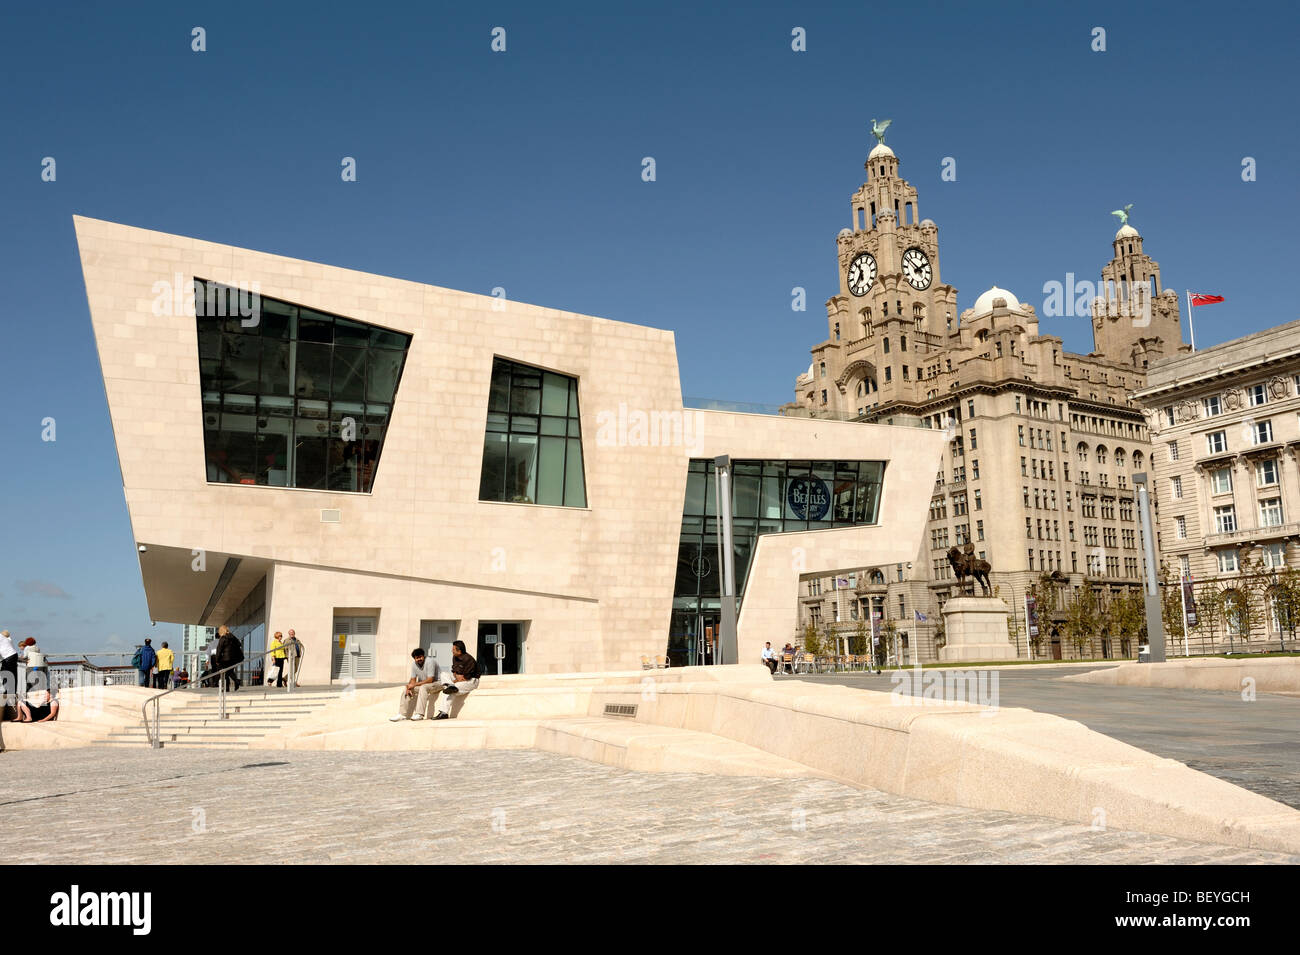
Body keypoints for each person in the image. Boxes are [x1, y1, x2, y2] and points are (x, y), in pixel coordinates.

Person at [433, 640, 481, 720]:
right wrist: (456, 677)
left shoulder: (469, 659)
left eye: (453, 649)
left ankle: (444, 713)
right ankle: (450, 686)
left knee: (451, 690)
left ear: (459, 651)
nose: (452, 651)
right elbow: (454, 671)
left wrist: (458, 679)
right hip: (460, 679)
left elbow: (467, 677)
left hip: (471, 681)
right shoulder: (455, 657)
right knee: (444, 675)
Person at [390, 648, 441, 721]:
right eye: (417, 658)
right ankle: (402, 715)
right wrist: (408, 687)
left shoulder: (430, 661)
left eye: (420, 657)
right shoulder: (414, 664)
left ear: (423, 656)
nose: (419, 659)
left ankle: (419, 714)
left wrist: (414, 684)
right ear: (414, 659)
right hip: (426, 685)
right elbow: (413, 680)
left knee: (423, 687)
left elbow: (430, 680)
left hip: (437, 684)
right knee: (406, 689)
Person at [215, 626, 243, 692]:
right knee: (229, 672)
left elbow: (219, 650)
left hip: (225, 658)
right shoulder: (233, 637)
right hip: (234, 658)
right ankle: (234, 683)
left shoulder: (223, 638)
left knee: (226, 672)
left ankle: (232, 684)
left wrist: (217, 660)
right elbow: (239, 644)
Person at [0, 630, 18, 718]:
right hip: (12, 656)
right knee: (10, 675)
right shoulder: (4, 638)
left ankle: (7, 693)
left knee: (5, 674)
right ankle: (10, 692)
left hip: (8, 657)